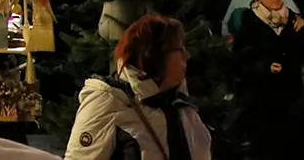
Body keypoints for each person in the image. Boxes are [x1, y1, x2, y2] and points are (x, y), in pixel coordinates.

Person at [57, 11, 211, 160]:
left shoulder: (182, 106)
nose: (187, 56)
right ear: (154, 55)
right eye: (179, 49)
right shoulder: (109, 102)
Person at [231, 0, 304, 160]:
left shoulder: (293, 18)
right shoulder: (250, 23)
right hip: (263, 102)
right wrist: (264, 67)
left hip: (292, 97)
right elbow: (239, 63)